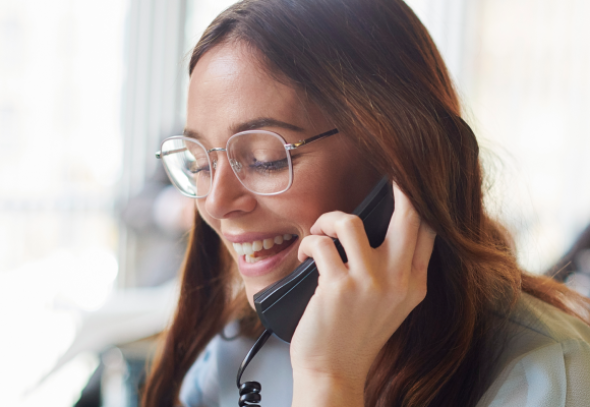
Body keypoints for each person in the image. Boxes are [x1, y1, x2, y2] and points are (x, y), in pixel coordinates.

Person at [142, 1, 590, 406]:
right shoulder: (233, 361)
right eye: (200, 163)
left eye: (266, 158)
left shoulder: (546, 374)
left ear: (399, 158)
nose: (217, 203)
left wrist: (329, 379)